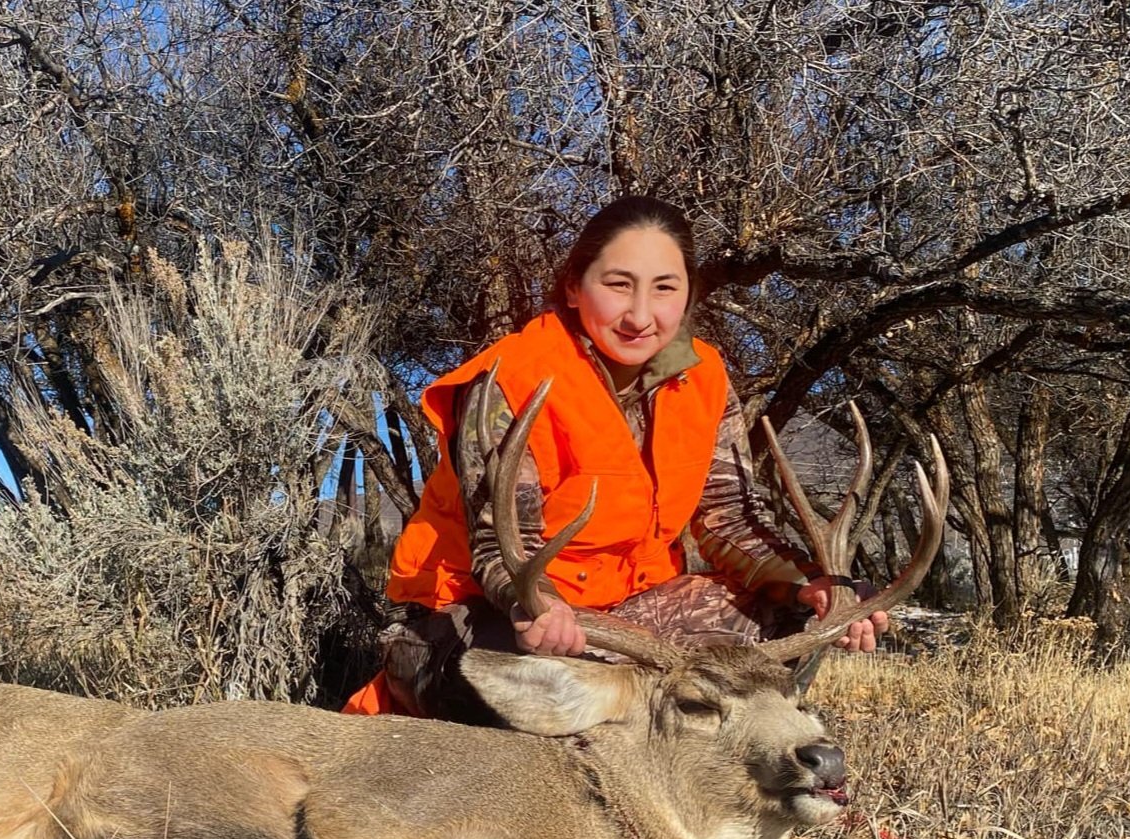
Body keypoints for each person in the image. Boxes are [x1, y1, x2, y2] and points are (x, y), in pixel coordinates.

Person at [344, 196, 888, 722]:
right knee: (541, 686)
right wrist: (538, 605)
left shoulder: (704, 378)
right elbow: (501, 545)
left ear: (688, 295)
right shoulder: (511, 379)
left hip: (629, 610)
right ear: (574, 288)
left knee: (792, 618)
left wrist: (813, 583)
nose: (640, 315)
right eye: (618, 285)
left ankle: (728, 762)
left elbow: (728, 514)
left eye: (665, 288)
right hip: (475, 616)